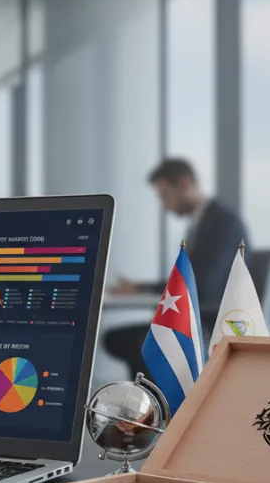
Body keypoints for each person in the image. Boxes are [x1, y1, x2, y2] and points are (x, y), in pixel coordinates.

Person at [102, 157, 249, 380]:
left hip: (209, 323)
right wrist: (139, 287)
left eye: (165, 196)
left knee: (128, 342)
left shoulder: (221, 222)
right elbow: (189, 279)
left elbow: (201, 285)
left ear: (184, 183)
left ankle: (155, 408)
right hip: (196, 317)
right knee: (119, 340)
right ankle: (151, 407)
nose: (164, 205)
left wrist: (144, 290)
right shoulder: (205, 221)